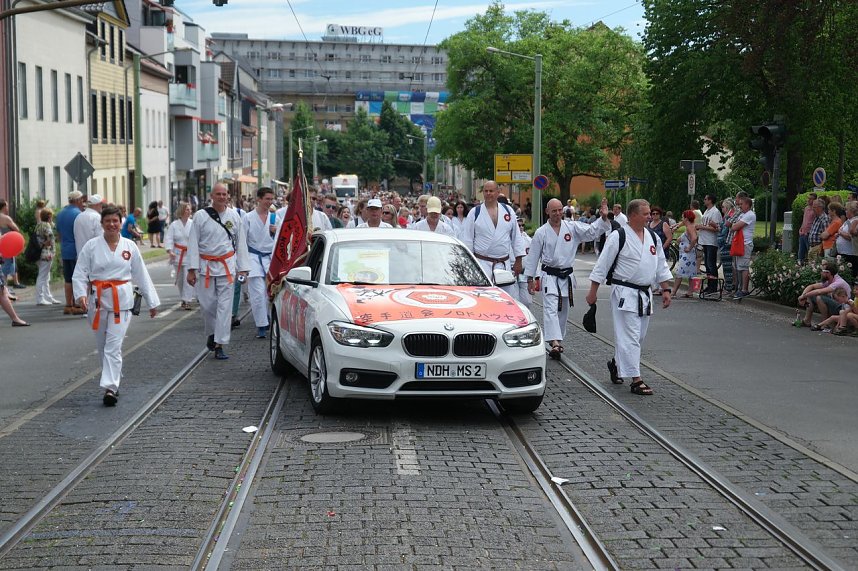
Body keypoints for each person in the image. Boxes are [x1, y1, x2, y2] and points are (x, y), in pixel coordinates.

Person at [73, 205, 159, 405]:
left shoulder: (129, 246)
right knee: (103, 345)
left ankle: (110, 388)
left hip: (122, 301)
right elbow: (80, 272)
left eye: (115, 221)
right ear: (102, 223)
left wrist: (151, 301)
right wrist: (80, 295)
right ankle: (113, 379)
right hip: (97, 301)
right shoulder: (91, 246)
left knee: (113, 345)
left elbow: (141, 274)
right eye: (108, 221)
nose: (112, 224)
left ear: (121, 223)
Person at [586, 199, 673, 396]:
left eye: (649, 213)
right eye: (645, 214)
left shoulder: (653, 237)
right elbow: (602, 265)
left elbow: (661, 264)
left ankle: (617, 364)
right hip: (624, 292)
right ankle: (636, 379)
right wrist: (593, 291)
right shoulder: (619, 236)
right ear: (633, 215)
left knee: (638, 336)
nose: (649, 217)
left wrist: (666, 289)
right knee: (631, 336)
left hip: (644, 294)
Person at [525, 198, 610, 358]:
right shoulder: (541, 232)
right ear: (547, 212)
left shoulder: (572, 227)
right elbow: (533, 256)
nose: (557, 213)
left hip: (566, 276)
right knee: (550, 308)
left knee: (563, 310)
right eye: (554, 211)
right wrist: (530, 279)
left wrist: (603, 218)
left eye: (560, 210)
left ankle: (558, 338)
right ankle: (555, 342)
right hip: (549, 275)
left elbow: (591, 231)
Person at [187, 183, 250, 360]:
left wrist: (243, 269)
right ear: (212, 196)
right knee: (207, 306)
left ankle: (220, 344)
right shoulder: (200, 216)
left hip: (227, 266)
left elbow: (241, 243)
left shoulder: (234, 216)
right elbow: (193, 243)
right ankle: (212, 333)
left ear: (228, 196)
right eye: (218, 194)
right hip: (206, 266)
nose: (222, 197)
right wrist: (191, 269)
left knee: (225, 307)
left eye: (224, 194)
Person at [460, 180, 526, 298]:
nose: (488, 193)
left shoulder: (508, 211)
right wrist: (469, 263)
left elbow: (516, 237)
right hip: (482, 263)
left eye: (491, 191)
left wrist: (518, 260)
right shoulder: (475, 212)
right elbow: (468, 239)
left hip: (503, 263)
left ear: (498, 192)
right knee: (483, 298)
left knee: (505, 299)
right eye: (486, 191)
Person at [242, 187, 277, 339]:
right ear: (259, 199)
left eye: (271, 199)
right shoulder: (248, 217)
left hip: (270, 259)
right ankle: (261, 325)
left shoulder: (274, 217)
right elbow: (242, 241)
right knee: (257, 294)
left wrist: (276, 232)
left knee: (270, 293)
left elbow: (281, 241)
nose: (270, 202)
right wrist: (242, 265)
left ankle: (268, 317)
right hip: (253, 258)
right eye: (267, 199)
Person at [55, 190, 87, 315]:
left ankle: (68, 305)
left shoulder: (60, 213)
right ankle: (78, 304)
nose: (82, 202)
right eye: (82, 200)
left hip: (65, 248)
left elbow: (58, 234)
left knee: (68, 279)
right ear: (78, 200)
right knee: (78, 277)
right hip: (76, 249)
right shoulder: (78, 214)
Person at [796, 260, 851, 328]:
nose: (821, 273)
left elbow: (819, 292)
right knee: (810, 295)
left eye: (822, 271)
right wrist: (803, 296)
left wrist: (803, 296)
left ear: (828, 273)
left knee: (819, 298)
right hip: (837, 303)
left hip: (843, 307)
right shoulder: (830, 279)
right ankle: (807, 321)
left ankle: (825, 324)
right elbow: (812, 286)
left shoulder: (838, 282)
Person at [164, 201, 194, 310]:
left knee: (187, 278)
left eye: (190, 209)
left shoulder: (193, 224)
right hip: (177, 255)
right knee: (180, 280)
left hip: (190, 255)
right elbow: (169, 238)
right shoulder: (174, 225)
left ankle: (187, 300)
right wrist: (170, 251)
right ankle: (183, 298)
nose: (189, 211)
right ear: (182, 211)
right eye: (187, 209)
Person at [730, 195, 756, 299]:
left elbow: (735, 226)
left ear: (747, 205)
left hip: (745, 243)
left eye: (742, 204)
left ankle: (744, 289)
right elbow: (732, 224)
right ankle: (739, 288)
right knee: (738, 267)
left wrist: (734, 225)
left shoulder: (750, 215)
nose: (740, 206)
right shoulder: (743, 214)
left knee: (744, 267)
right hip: (739, 243)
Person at [696, 194, 723, 295]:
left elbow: (716, 228)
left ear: (710, 200)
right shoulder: (707, 211)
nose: (704, 200)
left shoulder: (715, 212)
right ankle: (709, 284)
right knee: (707, 264)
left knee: (711, 264)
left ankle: (713, 286)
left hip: (711, 241)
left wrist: (702, 227)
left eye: (705, 199)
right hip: (704, 240)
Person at [34, 208, 61, 306]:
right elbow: (50, 238)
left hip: (39, 254)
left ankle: (48, 297)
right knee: (42, 276)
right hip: (46, 254)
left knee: (45, 276)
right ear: (49, 216)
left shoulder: (39, 225)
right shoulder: (46, 226)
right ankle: (40, 298)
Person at [0, 199, 25, 294]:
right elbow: (16, 229)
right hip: (7, 245)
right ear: (3, 207)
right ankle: (5, 290)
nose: (8, 207)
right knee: (6, 266)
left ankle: (4, 288)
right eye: (6, 206)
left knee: (2, 266)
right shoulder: (6, 218)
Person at [672, 210, 699, 297]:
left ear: (686, 218)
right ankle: (690, 292)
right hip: (687, 254)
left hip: (687, 254)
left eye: (683, 217)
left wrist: (689, 247)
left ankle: (673, 292)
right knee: (691, 273)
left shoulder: (689, 227)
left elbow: (694, 238)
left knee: (679, 272)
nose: (682, 219)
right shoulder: (690, 226)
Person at [648, 206, 673, 294]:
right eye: (653, 213)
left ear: (660, 214)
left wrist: (662, 248)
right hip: (651, 250)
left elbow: (669, 237)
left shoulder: (663, 224)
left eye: (657, 213)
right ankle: (654, 286)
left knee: (660, 267)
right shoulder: (649, 224)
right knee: (651, 268)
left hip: (661, 249)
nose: (655, 215)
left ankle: (661, 288)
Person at [718, 199, 735, 292]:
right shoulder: (726, 218)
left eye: (723, 207)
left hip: (726, 244)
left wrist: (719, 230)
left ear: (727, 208)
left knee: (728, 267)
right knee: (726, 267)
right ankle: (728, 285)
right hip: (725, 244)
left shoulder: (728, 218)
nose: (722, 209)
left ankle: (729, 286)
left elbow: (724, 232)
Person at [838, 201, 858, 278]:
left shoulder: (855, 221)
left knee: (851, 274)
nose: (845, 212)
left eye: (847, 210)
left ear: (852, 211)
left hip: (850, 253)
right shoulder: (848, 221)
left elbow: (851, 236)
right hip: (843, 252)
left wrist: (840, 233)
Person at [797, 192, 818, 263]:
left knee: (810, 252)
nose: (808, 200)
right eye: (808, 198)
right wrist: (801, 228)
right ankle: (800, 264)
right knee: (801, 252)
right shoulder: (806, 208)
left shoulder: (815, 210)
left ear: (814, 200)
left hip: (809, 233)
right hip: (802, 233)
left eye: (811, 199)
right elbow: (804, 220)